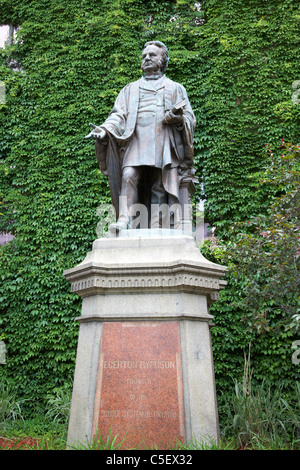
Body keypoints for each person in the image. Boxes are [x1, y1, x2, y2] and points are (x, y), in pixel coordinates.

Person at [86, 41, 196, 232]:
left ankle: (157, 225)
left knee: (158, 183)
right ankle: (124, 219)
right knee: (129, 175)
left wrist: (178, 119)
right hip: (136, 139)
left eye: (152, 55)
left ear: (162, 60)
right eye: (144, 56)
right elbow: (118, 115)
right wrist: (104, 129)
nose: (146, 58)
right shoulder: (130, 89)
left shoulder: (175, 88)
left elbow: (189, 118)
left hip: (163, 140)